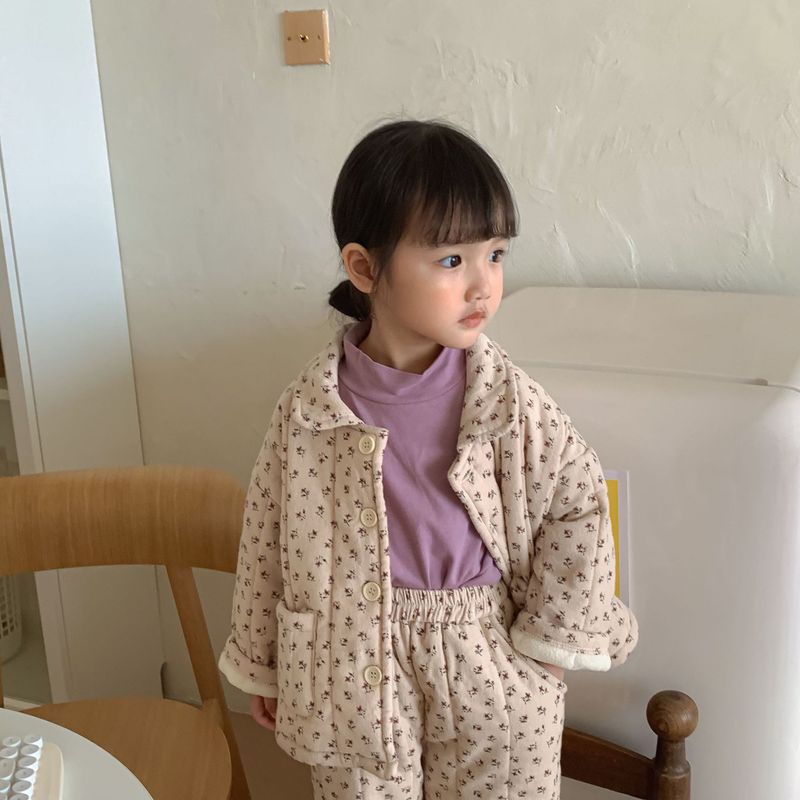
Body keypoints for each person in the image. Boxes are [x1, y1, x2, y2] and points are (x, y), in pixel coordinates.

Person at [219, 118, 638, 799]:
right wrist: (263, 662)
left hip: (488, 653)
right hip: (348, 661)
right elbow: (268, 537)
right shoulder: (309, 411)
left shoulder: (508, 400)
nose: (483, 285)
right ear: (364, 268)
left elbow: (578, 505)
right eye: (451, 261)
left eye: (494, 255)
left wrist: (548, 650)